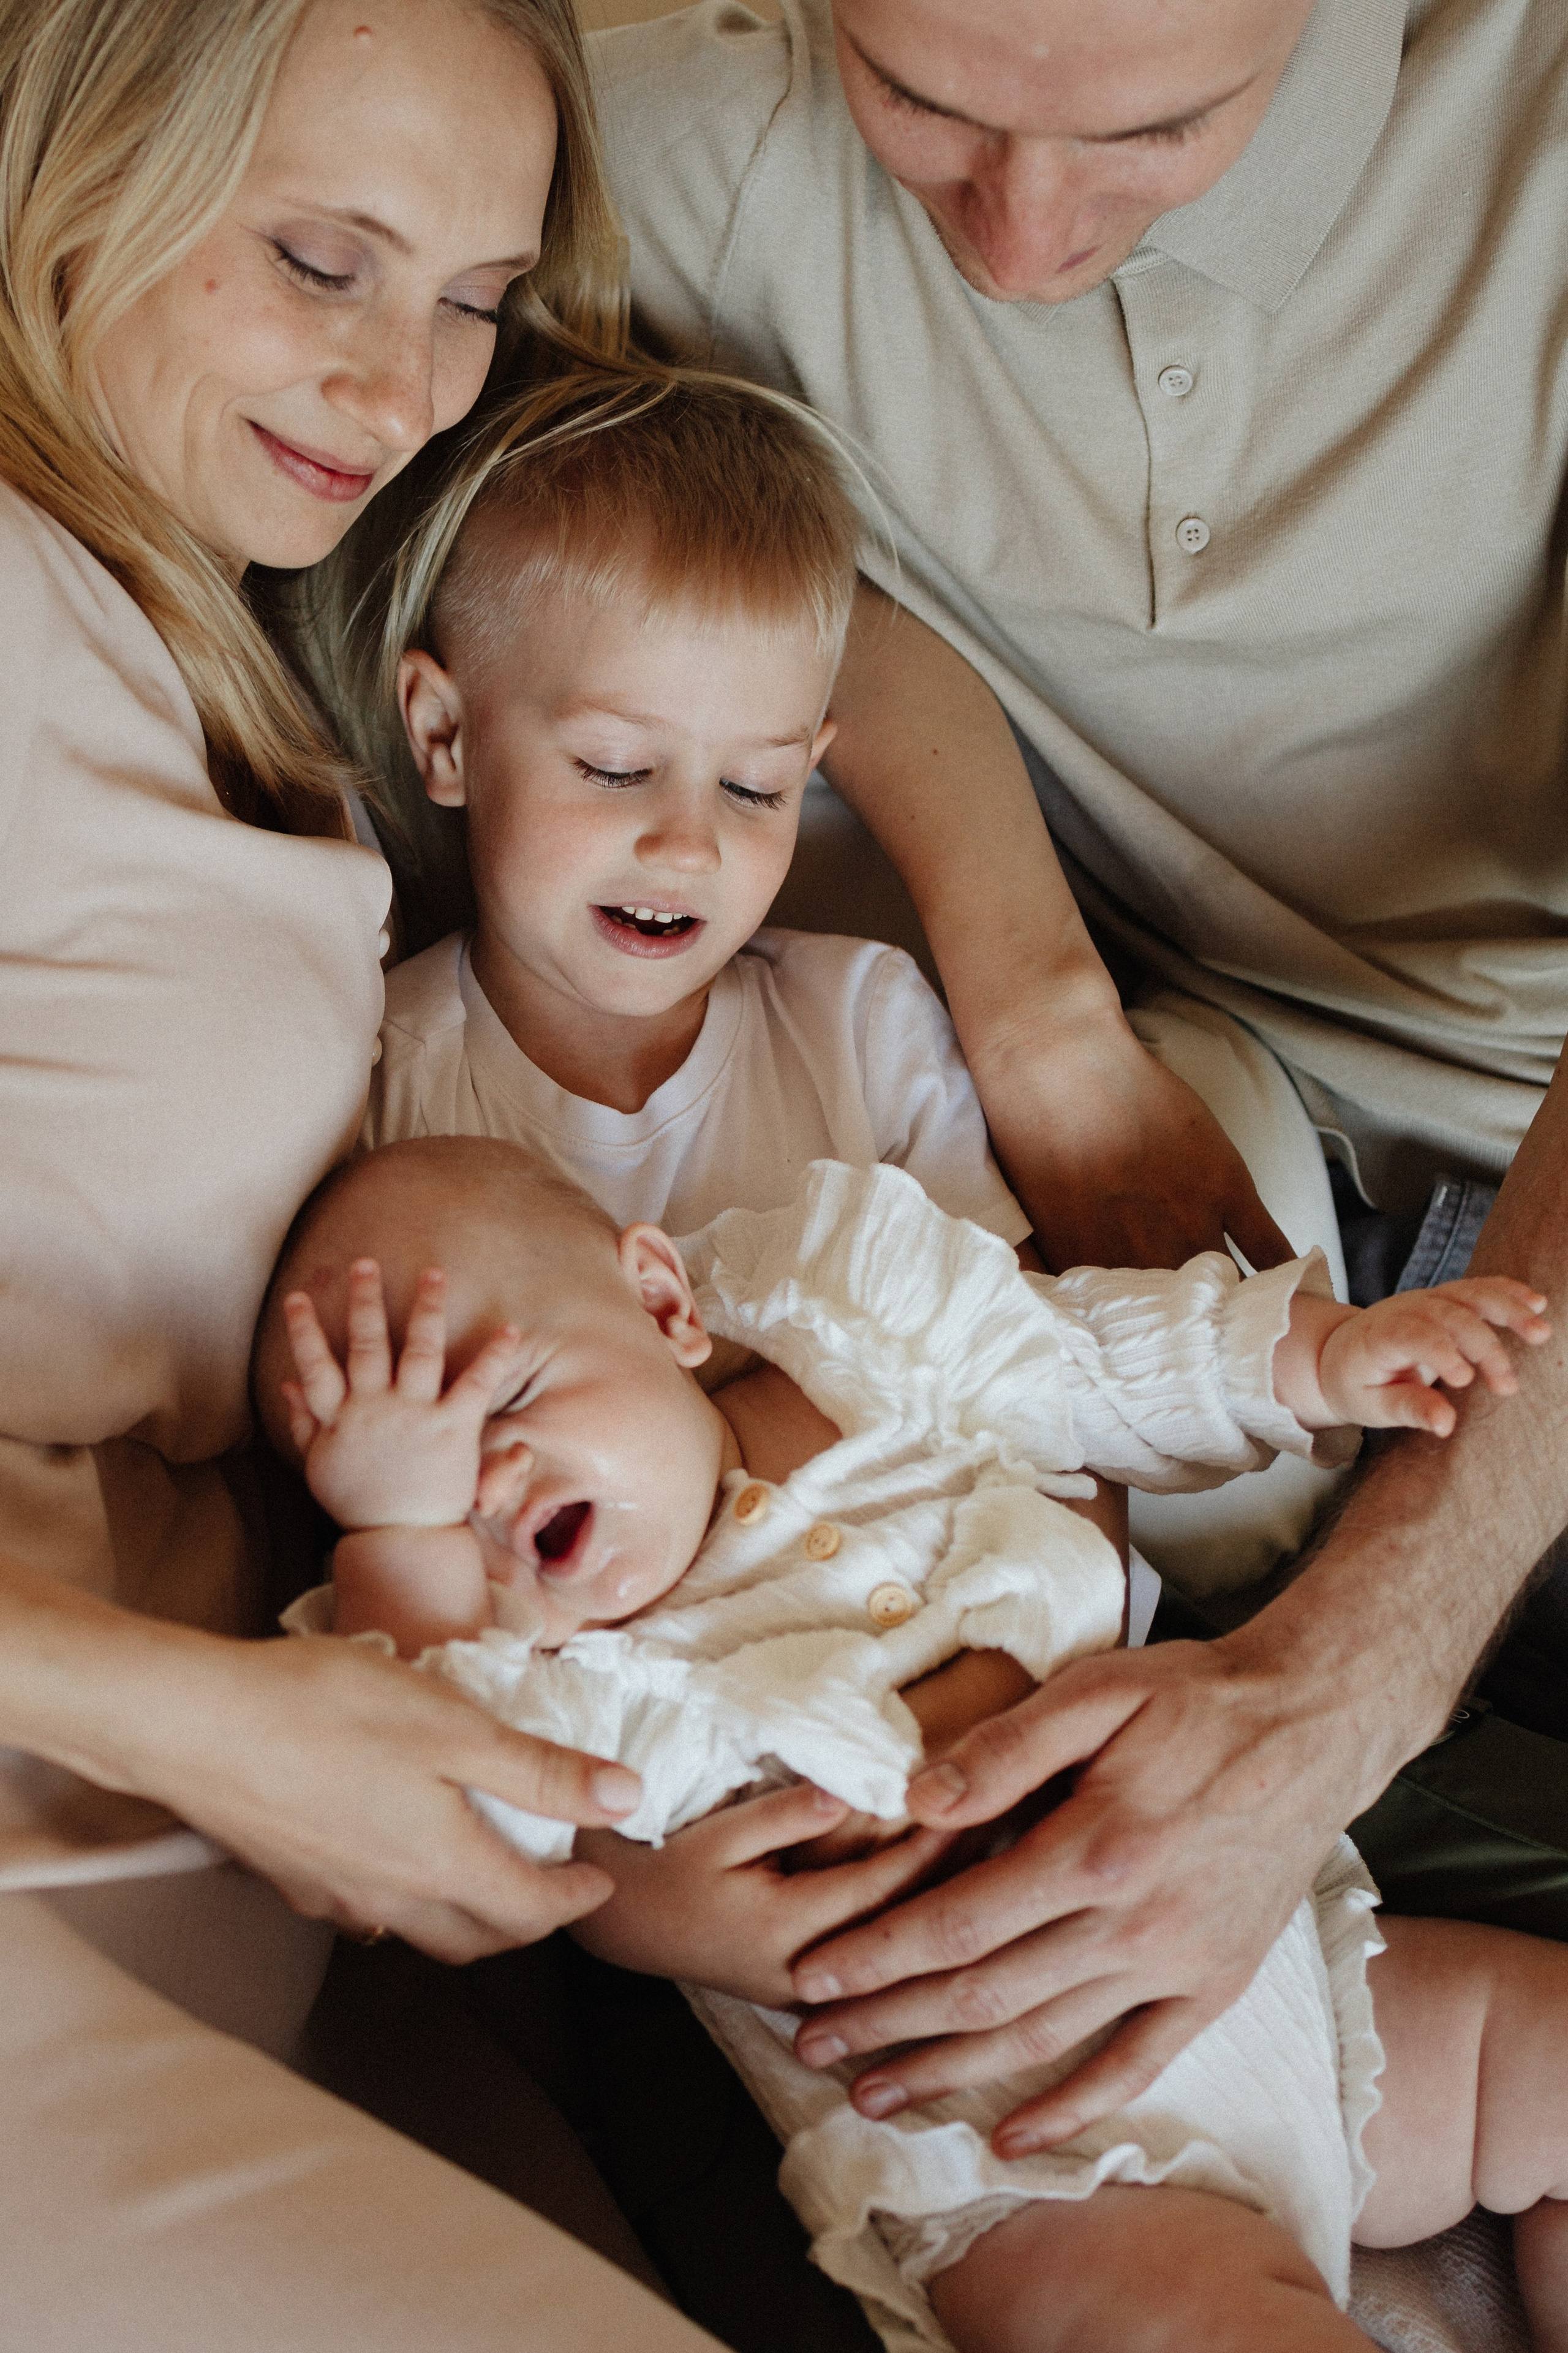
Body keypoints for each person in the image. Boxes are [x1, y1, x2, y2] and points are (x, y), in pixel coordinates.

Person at [583, 0, 1568, 2149]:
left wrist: (1347, 1689)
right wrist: (1038, 1010)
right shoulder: (654, 106)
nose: (1019, 243)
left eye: (1160, 126)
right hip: (1184, 1242)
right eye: (919, 101)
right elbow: (625, 528)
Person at [0, 2, 720, 2346]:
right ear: (67, 160)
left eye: (476, 301)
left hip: (220, 1888)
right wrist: (220, 1730)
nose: (410, 384)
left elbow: (740, 571)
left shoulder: (214, 627)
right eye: (323, 257)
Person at [252, 1134, 1568, 2353]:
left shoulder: (857, 1327)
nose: (479, 1487)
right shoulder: (570, 1683)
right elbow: (442, 1799)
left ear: (661, 1302)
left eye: (507, 1398)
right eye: (415, 1485)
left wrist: (1315, 1359)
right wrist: (399, 1557)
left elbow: (1080, 1355)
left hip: (1297, 1995)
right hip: (1040, 2165)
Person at [306, 355, 1029, 1261]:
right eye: (616, 767)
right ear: (447, 737)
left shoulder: (865, 1036)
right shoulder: (372, 1085)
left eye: (754, 788)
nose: (691, 848)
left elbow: (1021, 1351)